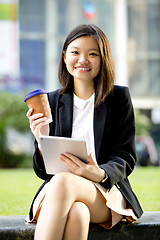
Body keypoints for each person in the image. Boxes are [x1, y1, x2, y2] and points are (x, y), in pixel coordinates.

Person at [26, 24, 143, 240]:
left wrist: (98, 173)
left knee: (62, 181)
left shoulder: (118, 98)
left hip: (103, 190)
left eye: (92, 54)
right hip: (60, 194)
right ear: (64, 57)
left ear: (103, 59)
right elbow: (44, 172)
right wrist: (41, 141)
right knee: (77, 213)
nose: (82, 60)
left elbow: (125, 156)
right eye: (75, 52)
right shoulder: (51, 102)